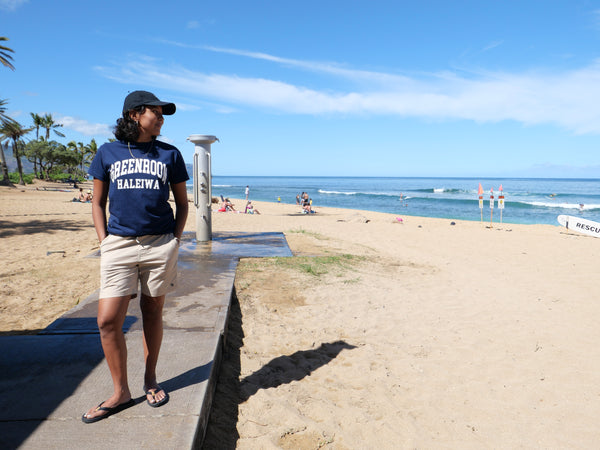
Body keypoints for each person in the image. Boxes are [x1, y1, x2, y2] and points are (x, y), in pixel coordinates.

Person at [82, 90, 189, 423]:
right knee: (107, 320)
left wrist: (174, 239)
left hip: (160, 244)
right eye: (154, 112)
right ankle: (120, 392)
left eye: (162, 114)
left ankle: (150, 379)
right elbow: (97, 202)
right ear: (133, 115)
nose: (160, 118)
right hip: (118, 245)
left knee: (152, 311)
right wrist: (105, 242)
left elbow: (183, 204)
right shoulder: (107, 152)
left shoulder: (170, 154)